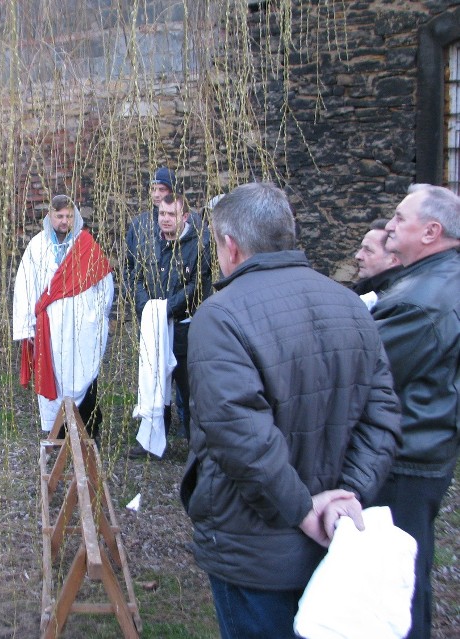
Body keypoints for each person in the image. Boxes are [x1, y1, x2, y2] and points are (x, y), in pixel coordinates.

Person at [180, 182, 401, 639]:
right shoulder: (350, 303)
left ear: (230, 245)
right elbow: (382, 418)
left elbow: (237, 435)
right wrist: (346, 500)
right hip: (332, 533)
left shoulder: (220, 316)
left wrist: (305, 509)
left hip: (253, 541)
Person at [370, 183, 460, 639]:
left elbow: (367, 369)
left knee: (397, 577)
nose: (389, 225)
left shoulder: (423, 300)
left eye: (400, 218)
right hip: (424, 447)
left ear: (431, 231)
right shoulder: (433, 281)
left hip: (406, 456)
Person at [125, 169, 213, 457]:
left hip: (184, 327)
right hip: (154, 324)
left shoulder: (199, 242)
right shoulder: (148, 237)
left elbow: (197, 285)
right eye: (161, 213)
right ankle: (152, 442)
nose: (164, 218)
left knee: (188, 390)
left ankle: (195, 446)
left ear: (184, 216)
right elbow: (135, 274)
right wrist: (145, 307)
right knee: (153, 383)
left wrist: (165, 308)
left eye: (171, 214)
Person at [12, 194, 114, 437]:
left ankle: (88, 428)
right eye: (59, 216)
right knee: (55, 376)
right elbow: (25, 288)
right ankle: (58, 432)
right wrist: (28, 329)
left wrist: (96, 316)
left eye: (69, 216)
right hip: (50, 328)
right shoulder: (37, 247)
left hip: (82, 327)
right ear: (50, 216)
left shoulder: (86, 244)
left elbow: (105, 285)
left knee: (85, 372)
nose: (64, 221)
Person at [352, 218, 403, 309]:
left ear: (393, 260)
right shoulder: (364, 291)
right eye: (361, 248)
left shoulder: (394, 304)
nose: (358, 256)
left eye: (368, 250)